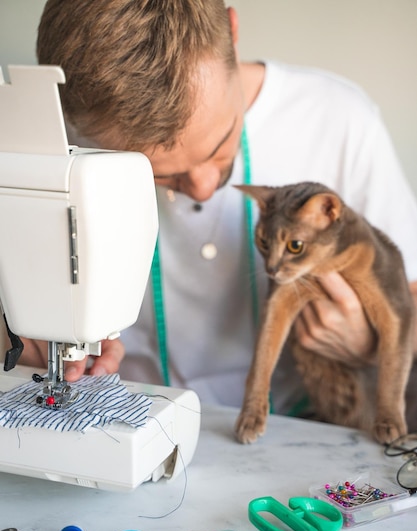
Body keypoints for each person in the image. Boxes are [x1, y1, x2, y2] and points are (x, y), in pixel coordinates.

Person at [22, 0, 417, 427]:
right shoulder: (47, 138)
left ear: (230, 32)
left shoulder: (338, 120)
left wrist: (368, 344)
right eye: (162, 175)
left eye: (219, 145)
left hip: (304, 424)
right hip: (125, 414)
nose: (205, 187)